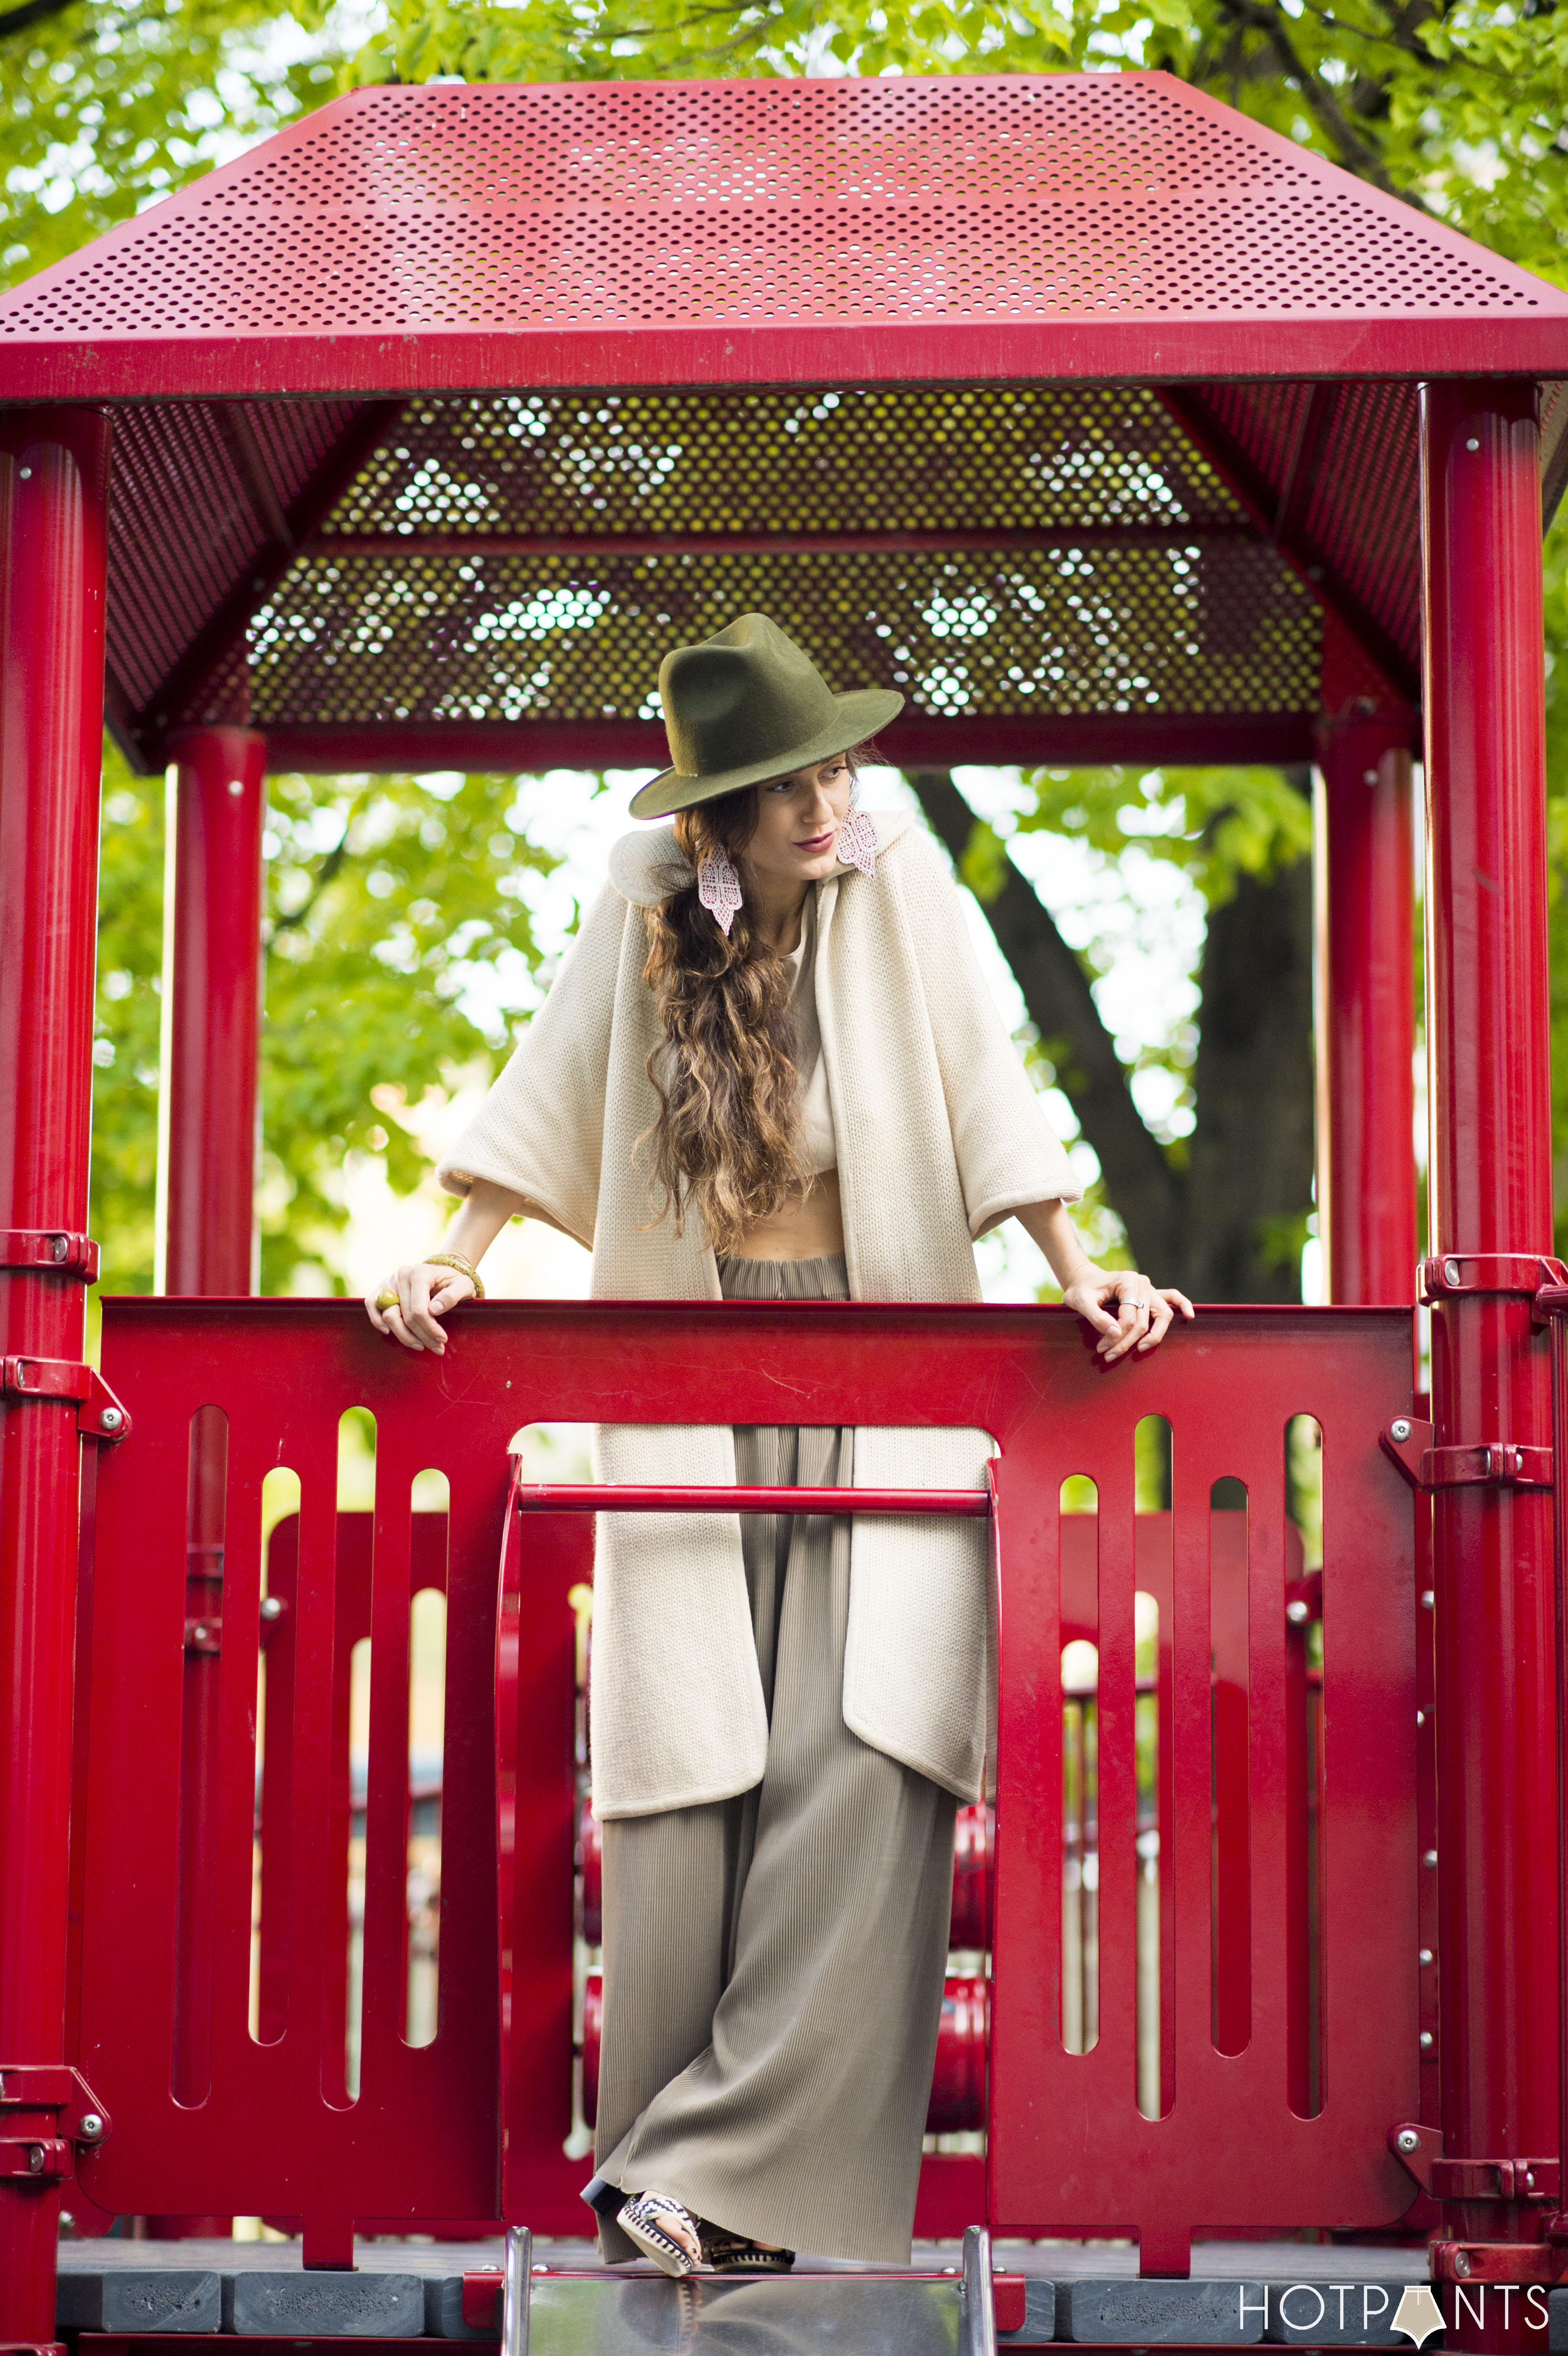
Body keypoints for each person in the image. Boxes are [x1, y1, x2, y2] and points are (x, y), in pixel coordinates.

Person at [367, 612, 1192, 2277]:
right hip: (693, 1350)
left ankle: (708, 2171)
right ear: (712, 814)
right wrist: (458, 1254)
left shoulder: (905, 885)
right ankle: (688, 2200)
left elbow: (991, 1092)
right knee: (684, 1765)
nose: (826, 802)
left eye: (833, 765)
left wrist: (1079, 1270)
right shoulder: (642, 905)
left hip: (883, 1338)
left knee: (869, 1743)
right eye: (785, 784)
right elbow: (555, 1082)